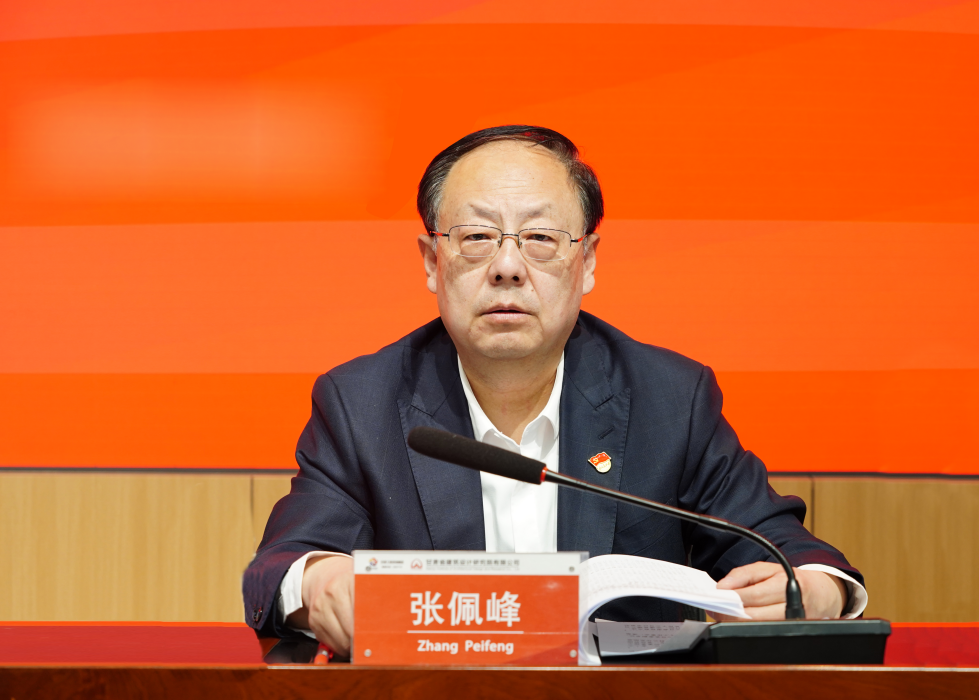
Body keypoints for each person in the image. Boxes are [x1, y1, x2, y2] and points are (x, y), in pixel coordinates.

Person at [243, 126, 867, 655]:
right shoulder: (362, 403)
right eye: (476, 236)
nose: (507, 266)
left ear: (587, 260)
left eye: (540, 238)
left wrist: (815, 590)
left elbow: (791, 554)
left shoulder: (668, 399)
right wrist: (319, 582)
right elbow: (280, 567)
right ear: (432, 261)